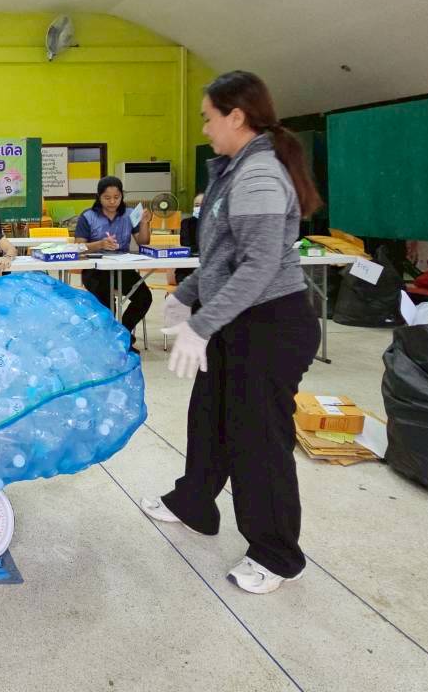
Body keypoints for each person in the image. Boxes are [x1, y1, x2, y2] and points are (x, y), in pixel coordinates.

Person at [144, 70, 323, 596]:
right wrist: (185, 294)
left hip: (270, 323)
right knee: (209, 417)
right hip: (236, 317)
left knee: (257, 439)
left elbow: (260, 264)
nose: (204, 129)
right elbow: (222, 257)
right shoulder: (234, 171)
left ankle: (277, 553)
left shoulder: (260, 174)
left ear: (236, 116)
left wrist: (200, 325)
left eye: (208, 118)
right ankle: (194, 503)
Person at [73, 176, 153, 344]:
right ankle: (110, 341)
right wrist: (100, 244)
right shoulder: (88, 216)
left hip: (122, 267)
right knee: (108, 304)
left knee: (144, 297)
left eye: (116, 197)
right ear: (99, 197)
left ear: (122, 196)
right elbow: (78, 247)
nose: (112, 202)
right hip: (95, 270)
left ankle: (122, 334)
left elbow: (143, 242)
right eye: (107, 197)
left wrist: (145, 223)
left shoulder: (130, 214)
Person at [171, 192, 203, 286]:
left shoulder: (217, 224)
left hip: (209, 270)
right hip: (188, 269)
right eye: (197, 205)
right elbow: (186, 246)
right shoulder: (186, 223)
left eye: (203, 205)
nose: (199, 208)